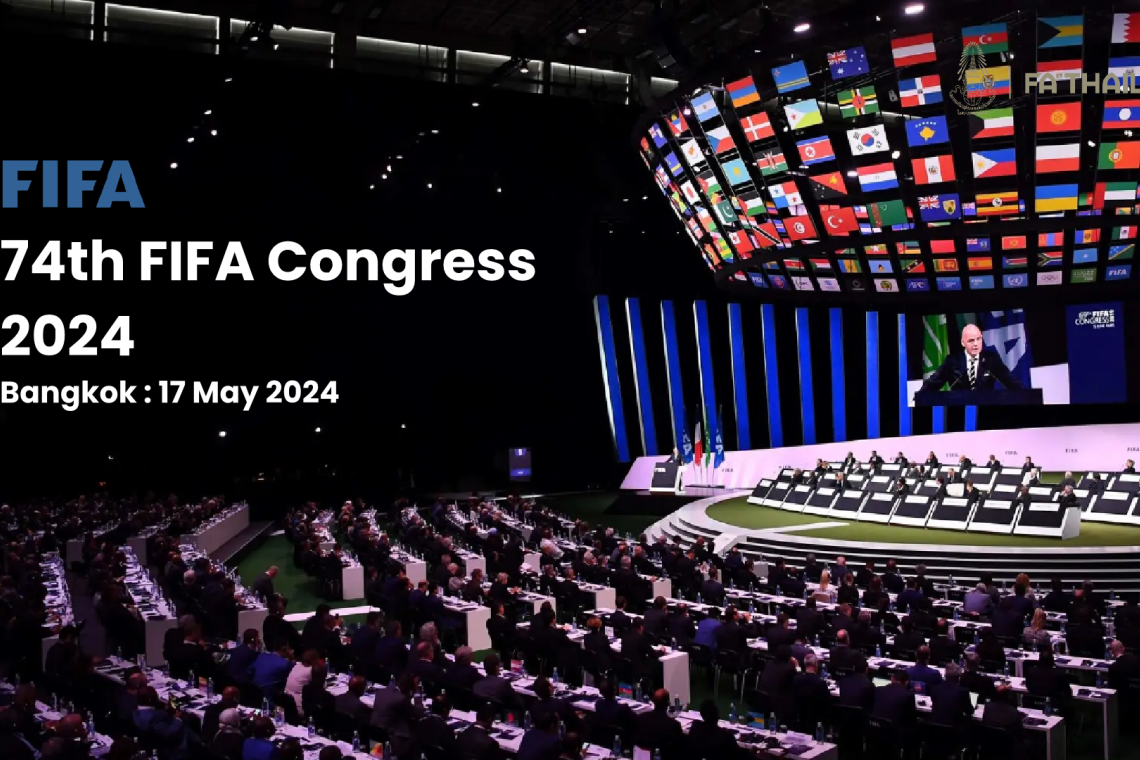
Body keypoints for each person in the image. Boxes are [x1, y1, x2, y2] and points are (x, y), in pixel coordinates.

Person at [919, 323, 1024, 392]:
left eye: (978, 339)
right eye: (971, 340)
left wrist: (1026, 395)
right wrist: (918, 398)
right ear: (963, 342)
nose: (976, 344)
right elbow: (933, 383)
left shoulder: (991, 359)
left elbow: (1010, 381)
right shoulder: (953, 361)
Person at [928, 662, 973, 729]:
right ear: (959, 678)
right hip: (954, 730)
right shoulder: (963, 692)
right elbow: (969, 711)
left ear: (945, 675)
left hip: (934, 728)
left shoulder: (935, 689)